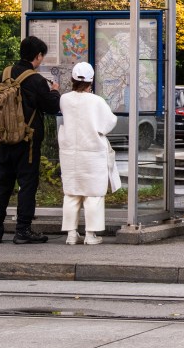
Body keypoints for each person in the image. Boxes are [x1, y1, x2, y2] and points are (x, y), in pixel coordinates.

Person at [0, 35, 61, 244]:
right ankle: (23, 230)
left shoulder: (5, 73)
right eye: (42, 57)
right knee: (27, 184)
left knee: (3, 184)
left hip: (2, 138)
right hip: (26, 142)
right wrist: (54, 92)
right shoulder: (36, 80)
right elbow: (51, 107)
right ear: (38, 56)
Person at [57, 62, 117, 245]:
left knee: (72, 193)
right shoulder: (96, 101)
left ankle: (71, 234)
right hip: (92, 152)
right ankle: (91, 235)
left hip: (70, 152)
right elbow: (109, 122)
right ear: (91, 80)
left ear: (72, 79)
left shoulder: (64, 99)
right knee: (94, 194)